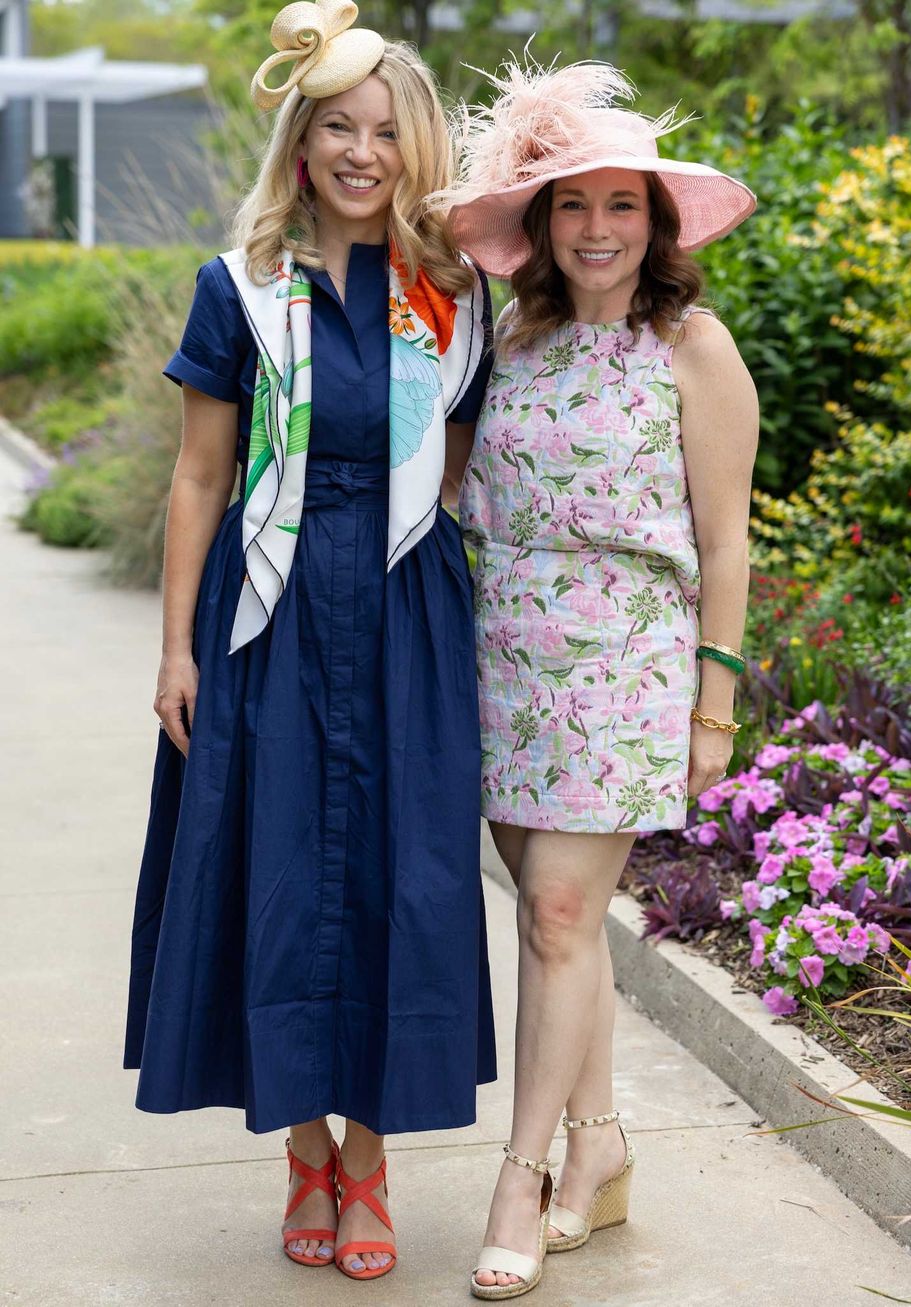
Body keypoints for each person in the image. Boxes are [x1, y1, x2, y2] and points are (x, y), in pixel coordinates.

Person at [123, 0, 496, 1281]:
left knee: (407, 871)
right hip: (267, 606)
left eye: (385, 130)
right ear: (299, 139)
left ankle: (373, 1158)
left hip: (401, 602)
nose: (361, 151)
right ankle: (301, 1147)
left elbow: (446, 473)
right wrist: (176, 646)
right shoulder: (243, 289)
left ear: (416, 148)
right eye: (337, 126)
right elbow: (196, 477)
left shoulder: (451, 294)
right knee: (269, 865)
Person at [436, 58, 759, 1298]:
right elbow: (454, 483)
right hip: (501, 658)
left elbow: (726, 535)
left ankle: (518, 1178)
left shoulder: (692, 343)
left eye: (620, 204)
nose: (597, 229)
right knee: (553, 923)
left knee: (559, 921)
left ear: (655, 220)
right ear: (537, 223)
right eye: (571, 204)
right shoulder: (508, 336)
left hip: (626, 665)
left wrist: (712, 705)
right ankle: (601, 1144)